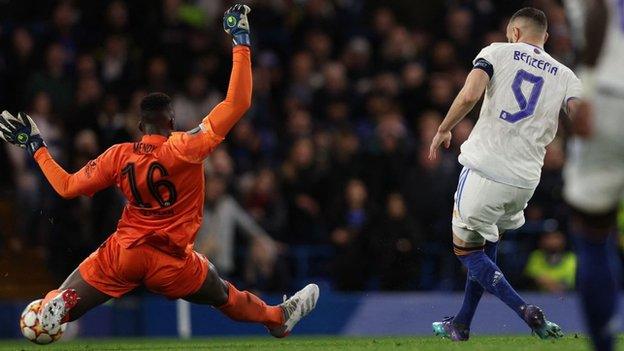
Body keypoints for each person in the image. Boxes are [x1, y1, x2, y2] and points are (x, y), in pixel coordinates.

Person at [0, 4, 318, 339]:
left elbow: (65, 187)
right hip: (173, 262)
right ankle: (275, 318)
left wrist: (37, 148)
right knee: (224, 294)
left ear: (140, 125)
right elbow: (238, 102)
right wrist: (240, 40)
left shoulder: (118, 156)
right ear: (171, 121)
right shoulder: (185, 146)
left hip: (126, 251)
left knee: (77, 289)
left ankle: (57, 306)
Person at [428, 7, 581, 341]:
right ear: (546, 38)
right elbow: (582, 119)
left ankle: (525, 310)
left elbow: (470, 94)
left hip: (486, 169)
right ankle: (462, 323)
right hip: (525, 182)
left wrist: (443, 128)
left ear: (514, 32)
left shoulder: (496, 52)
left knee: (466, 251)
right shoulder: (566, 75)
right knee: (485, 242)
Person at [563, 0, 624, 349]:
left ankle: (603, 344)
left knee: (593, 233)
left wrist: (585, 88)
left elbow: (598, 10)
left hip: (612, 96)